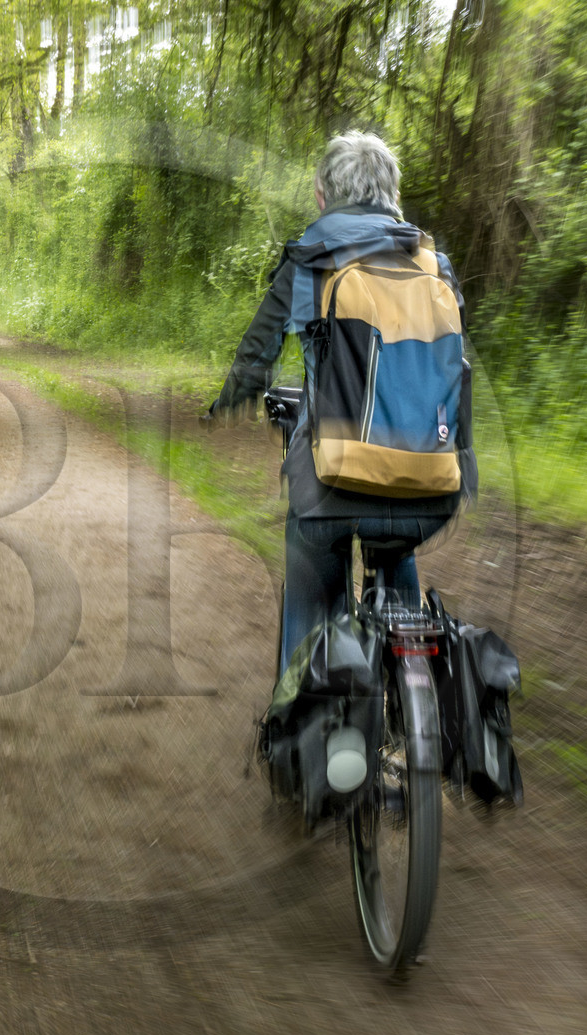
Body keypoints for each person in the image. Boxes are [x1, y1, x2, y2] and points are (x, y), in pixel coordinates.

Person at [207, 131, 471, 668]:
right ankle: (410, 670)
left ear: (323, 195)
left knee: (313, 547)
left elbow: (258, 350)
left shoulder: (311, 257)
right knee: (396, 540)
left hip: (334, 482)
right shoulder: (432, 264)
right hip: (436, 486)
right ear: (392, 193)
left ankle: (298, 703)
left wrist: (233, 395)